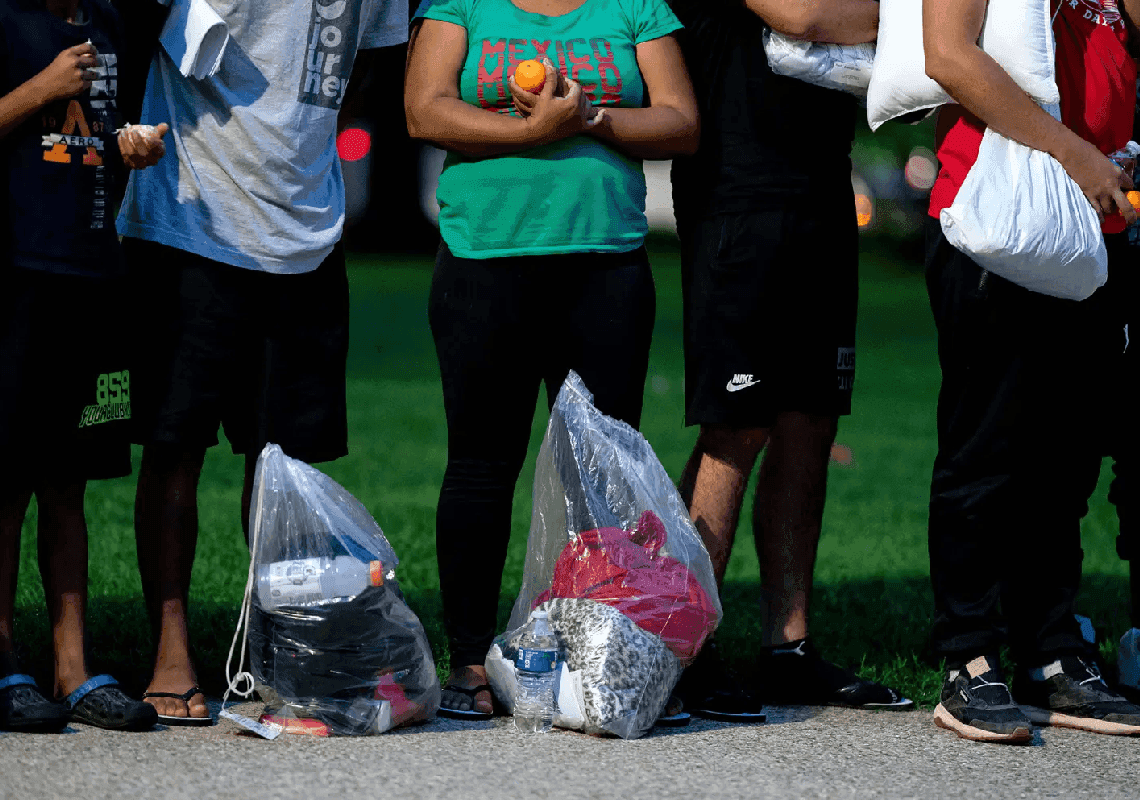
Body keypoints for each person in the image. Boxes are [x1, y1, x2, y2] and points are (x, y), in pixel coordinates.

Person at [115, 0, 409, 725]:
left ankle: (275, 649)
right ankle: (171, 651)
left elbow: (372, 60)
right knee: (175, 446)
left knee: (288, 468)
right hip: (192, 218)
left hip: (307, 228)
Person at [404, 0, 699, 718]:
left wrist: (589, 119)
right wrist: (530, 130)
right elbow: (425, 110)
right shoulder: (463, 4)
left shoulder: (635, 6)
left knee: (600, 473)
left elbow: (681, 121)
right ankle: (471, 662)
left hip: (604, 268)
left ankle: (595, 658)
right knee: (481, 464)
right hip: (485, 263)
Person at [666, 0, 912, 720]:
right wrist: (905, 22)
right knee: (736, 422)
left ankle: (788, 649)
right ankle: (685, 648)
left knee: (811, 419)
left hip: (821, 191)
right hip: (736, 190)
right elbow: (802, 15)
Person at [923, 0, 1140, 743]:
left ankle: (1049, 652)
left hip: (1092, 231)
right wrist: (1074, 151)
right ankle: (968, 656)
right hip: (999, 221)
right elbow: (948, 55)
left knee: (1065, 457)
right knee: (987, 451)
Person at [0, 0, 166, 732]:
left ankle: (74, 668)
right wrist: (39, 90)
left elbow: (100, 135)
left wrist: (131, 149)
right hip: (15, 275)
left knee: (70, 483)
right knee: (6, 479)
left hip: (94, 276)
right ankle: (4, 662)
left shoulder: (111, 18)